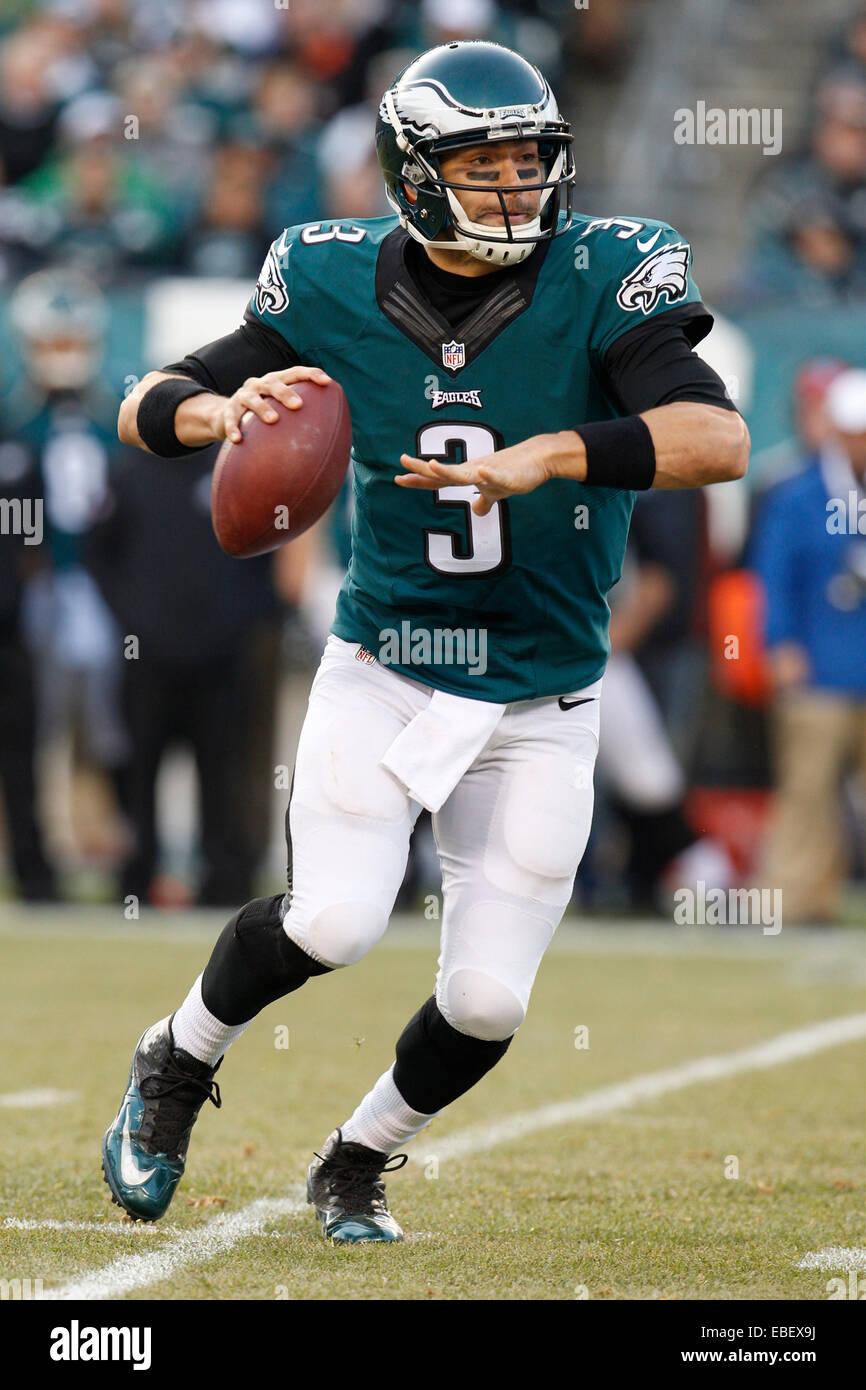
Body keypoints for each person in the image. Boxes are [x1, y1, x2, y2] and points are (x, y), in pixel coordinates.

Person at [102, 41, 749, 1241]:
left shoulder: (606, 269)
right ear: (410, 175)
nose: (517, 187)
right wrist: (214, 409)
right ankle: (174, 1062)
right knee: (336, 918)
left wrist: (551, 452)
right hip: (390, 665)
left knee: (490, 999)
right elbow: (148, 407)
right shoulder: (330, 278)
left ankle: (355, 1158)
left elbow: (715, 439)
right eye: (484, 162)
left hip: (543, 693)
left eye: (530, 161)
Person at [749, 367, 866, 922]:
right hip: (819, 664)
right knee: (808, 792)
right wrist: (780, 645)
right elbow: (772, 576)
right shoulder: (798, 494)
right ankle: (795, 899)